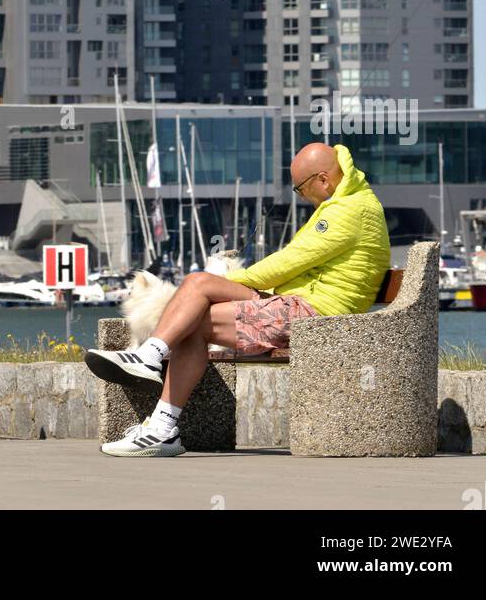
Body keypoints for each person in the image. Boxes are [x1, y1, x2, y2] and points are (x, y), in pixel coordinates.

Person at [85, 142, 390, 457]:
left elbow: (287, 263)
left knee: (198, 303)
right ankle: (154, 385)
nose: (302, 197)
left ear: (324, 180)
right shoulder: (347, 204)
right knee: (197, 291)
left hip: (313, 315)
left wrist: (226, 282)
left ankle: (158, 409)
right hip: (298, 304)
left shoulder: (350, 210)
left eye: (301, 189)